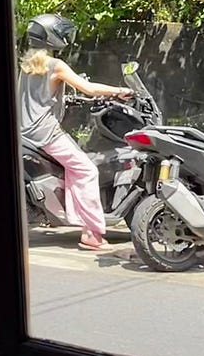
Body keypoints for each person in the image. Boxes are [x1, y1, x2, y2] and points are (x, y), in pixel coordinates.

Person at [18, 14, 131, 251]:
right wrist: (120, 90)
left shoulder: (27, 64)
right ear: (53, 38)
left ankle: (73, 214)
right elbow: (89, 89)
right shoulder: (55, 65)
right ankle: (92, 233)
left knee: (73, 168)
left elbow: (37, 97)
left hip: (26, 131)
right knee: (87, 170)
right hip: (46, 133)